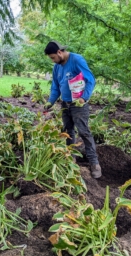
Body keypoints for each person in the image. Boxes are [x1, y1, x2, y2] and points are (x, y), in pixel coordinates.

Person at [44, 40, 102, 179]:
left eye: (53, 58)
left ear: (59, 52)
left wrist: (84, 97)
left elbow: (90, 79)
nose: (53, 61)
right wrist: (50, 102)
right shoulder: (57, 67)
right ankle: (71, 158)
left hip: (79, 104)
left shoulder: (76, 60)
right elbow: (56, 87)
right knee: (68, 131)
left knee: (84, 132)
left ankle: (94, 163)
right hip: (65, 104)